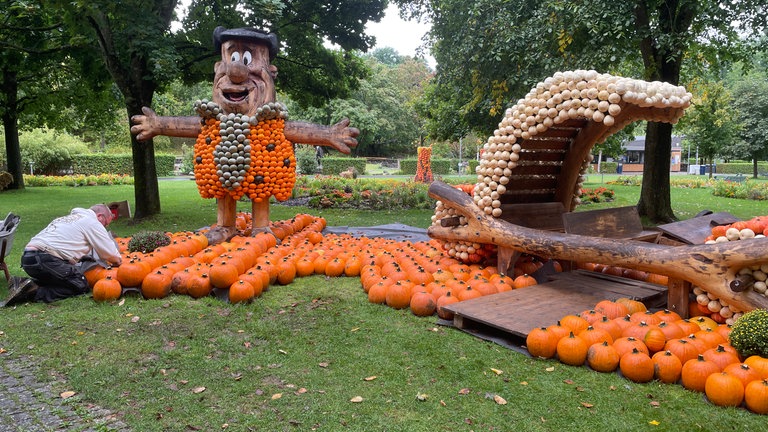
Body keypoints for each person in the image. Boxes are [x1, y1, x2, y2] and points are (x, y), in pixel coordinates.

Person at [4, 204, 123, 305]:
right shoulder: (91, 222)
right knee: (80, 284)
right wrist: (119, 262)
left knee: (63, 278)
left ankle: (23, 283)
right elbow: (111, 253)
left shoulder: (65, 219)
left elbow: (63, 245)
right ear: (100, 217)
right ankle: (33, 293)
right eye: (106, 224)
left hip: (28, 259)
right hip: (44, 258)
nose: (105, 227)